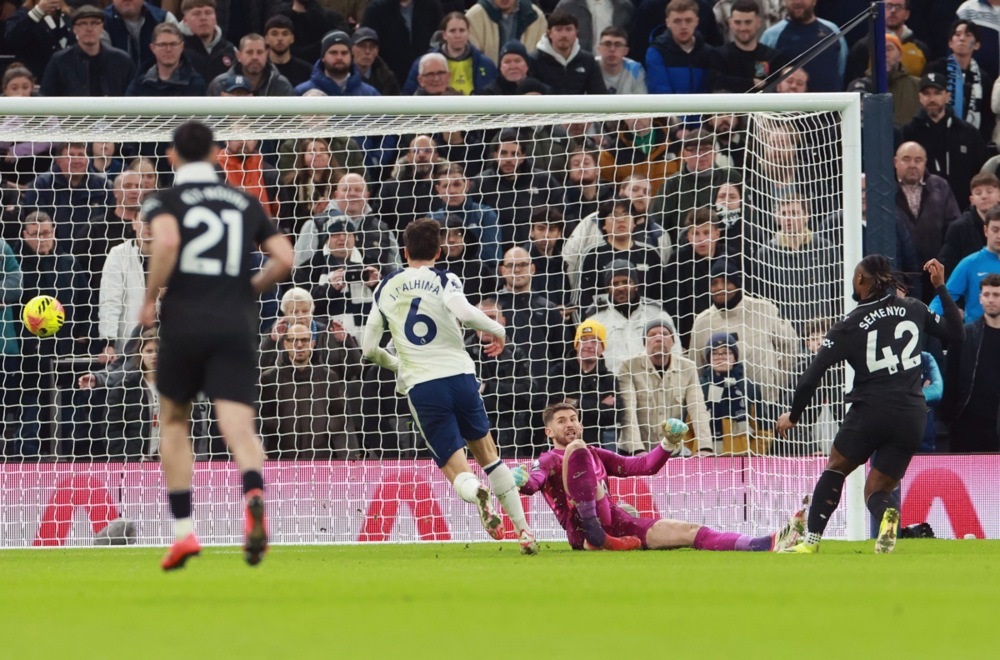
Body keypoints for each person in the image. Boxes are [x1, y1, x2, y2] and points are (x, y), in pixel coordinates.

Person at [138, 120, 294, 570]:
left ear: (172, 157)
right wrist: (250, 288)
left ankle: (184, 532)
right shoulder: (243, 200)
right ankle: (253, 492)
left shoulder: (165, 199)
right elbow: (284, 256)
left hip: (185, 321)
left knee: (172, 420)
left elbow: (166, 240)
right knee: (238, 426)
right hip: (235, 323)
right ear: (215, 156)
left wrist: (150, 298)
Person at [361, 217, 539, 554]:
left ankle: (477, 495)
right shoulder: (445, 279)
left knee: (454, 466)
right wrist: (498, 331)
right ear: (440, 251)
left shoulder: (386, 286)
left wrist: (399, 363)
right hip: (460, 376)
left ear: (404, 251)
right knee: (490, 456)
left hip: (423, 385)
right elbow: (465, 312)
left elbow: (369, 349)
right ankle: (525, 532)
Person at [776, 256, 964, 554]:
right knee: (877, 490)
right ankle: (888, 516)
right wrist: (940, 287)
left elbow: (812, 376)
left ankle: (809, 542)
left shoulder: (849, 324)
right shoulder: (914, 308)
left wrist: (794, 415)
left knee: (836, 468)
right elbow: (957, 333)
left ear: (861, 280)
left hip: (871, 410)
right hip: (912, 415)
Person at [512, 403, 806, 551]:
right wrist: (520, 479)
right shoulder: (548, 459)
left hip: (617, 524)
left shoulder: (595, 453)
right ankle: (594, 536)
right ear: (549, 432)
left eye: (574, 418)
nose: (571, 424)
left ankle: (764, 543)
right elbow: (534, 484)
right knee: (578, 453)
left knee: (688, 531)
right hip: (580, 532)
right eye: (562, 421)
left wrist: (668, 443)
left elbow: (642, 467)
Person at [258, 322, 360, 459]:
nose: (299, 345)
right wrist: (280, 425)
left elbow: (340, 414)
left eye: (304, 340)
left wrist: (324, 426)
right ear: (285, 344)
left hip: (322, 458)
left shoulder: (328, 376)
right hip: (281, 459)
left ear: (312, 344)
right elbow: (262, 417)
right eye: (293, 340)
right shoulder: (269, 378)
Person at [619, 318, 713, 454]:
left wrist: (705, 447)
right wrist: (638, 450)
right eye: (652, 335)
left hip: (671, 451)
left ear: (673, 341)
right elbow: (628, 411)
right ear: (645, 343)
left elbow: (698, 409)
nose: (659, 338)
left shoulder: (687, 367)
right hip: (635, 450)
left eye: (664, 334)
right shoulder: (628, 367)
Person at [902, 72, 988, 206]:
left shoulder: (968, 132)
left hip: (962, 208)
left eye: (937, 93)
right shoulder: (908, 133)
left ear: (947, 96)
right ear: (919, 97)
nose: (932, 99)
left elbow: (980, 172)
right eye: (927, 94)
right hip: (921, 210)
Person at [893, 141, 962, 303]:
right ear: (895, 162)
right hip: (900, 276)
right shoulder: (885, 189)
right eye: (906, 159)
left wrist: (942, 262)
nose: (912, 165)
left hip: (937, 272)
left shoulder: (940, 187)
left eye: (918, 160)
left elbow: (954, 228)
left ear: (925, 162)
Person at [940, 273, 1000, 453]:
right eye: (986, 295)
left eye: (996, 295)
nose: (991, 300)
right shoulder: (964, 335)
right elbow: (951, 376)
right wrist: (950, 418)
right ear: (980, 298)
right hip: (967, 424)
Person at [41, 5, 136, 97]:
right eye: (83, 23)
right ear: (74, 29)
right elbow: (46, 97)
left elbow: (133, 97)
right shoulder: (60, 61)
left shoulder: (121, 60)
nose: (89, 29)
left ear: (102, 27)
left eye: (94, 23)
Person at [929, 208, 1000, 323]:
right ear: (986, 230)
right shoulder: (970, 263)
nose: (999, 235)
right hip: (977, 335)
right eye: (995, 230)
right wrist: (926, 320)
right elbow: (946, 296)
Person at [760, 0, 847, 93]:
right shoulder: (770, 35)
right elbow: (761, 77)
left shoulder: (833, 30)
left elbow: (842, 69)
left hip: (830, 105)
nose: (797, 2)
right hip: (787, 106)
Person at [401, 12, 497, 95]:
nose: (457, 35)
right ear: (444, 35)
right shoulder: (424, 63)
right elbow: (408, 96)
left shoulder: (486, 64)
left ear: (468, 33)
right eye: (452, 31)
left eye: (462, 30)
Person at [707, 0, 786, 93]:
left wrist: (733, 82)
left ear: (758, 22)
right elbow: (716, 83)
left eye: (748, 22)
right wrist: (751, 83)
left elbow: (775, 88)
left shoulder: (772, 57)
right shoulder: (718, 56)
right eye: (738, 22)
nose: (743, 28)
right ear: (730, 23)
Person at [361, 0, 443, 83]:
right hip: (387, 80)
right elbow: (365, 43)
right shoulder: (375, 9)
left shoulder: (432, 6)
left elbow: (440, 41)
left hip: (427, 77)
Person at [531, 10, 607, 94]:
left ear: (576, 32)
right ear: (549, 33)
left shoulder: (588, 60)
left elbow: (599, 94)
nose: (564, 34)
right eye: (558, 30)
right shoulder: (533, 60)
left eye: (569, 29)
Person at [939, 172, 1000, 275]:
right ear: (971, 199)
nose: (984, 196)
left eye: (989, 191)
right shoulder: (959, 228)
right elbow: (947, 266)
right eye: (978, 193)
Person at [125, 22, 208, 96]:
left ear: (182, 47)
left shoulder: (196, 84)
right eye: (162, 45)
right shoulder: (139, 84)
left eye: (173, 44)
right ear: (153, 48)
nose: (168, 49)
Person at [645, 0, 709, 95]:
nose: (683, 26)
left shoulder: (708, 52)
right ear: (667, 23)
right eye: (677, 21)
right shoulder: (656, 52)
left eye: (688, 20)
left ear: (697, 21)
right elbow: (661, 92)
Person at [294, 29, 380, 97]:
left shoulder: (370, 93)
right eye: (333, 53)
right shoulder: (302, 92)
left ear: (351, 56)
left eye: (344, 53)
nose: (339, 57)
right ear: (323, 57)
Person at [207, 33, 295, 96]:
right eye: (249, 52)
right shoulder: (219, 84)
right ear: (239, 56)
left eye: (260, 52)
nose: (255, 57)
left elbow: (292, 121)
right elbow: (208, 120)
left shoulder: (281, 85)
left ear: (266, 55)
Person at [465, 0, 548, 65]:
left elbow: (542, 56)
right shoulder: (473, 17)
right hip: (487, 80)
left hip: (527, 80)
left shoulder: (536, 16)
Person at [179, 0, 236, 82]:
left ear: (216, 18)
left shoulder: (229, 50)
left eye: (208, 13)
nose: (203, 18)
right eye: (196, 13)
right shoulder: (177, 48)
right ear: (185, 21)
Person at [263, 14, 313, 87]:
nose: (280, 38)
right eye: (274, 34)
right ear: (266, 39)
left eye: (285, 34)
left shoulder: (307, 71)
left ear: (292, 38)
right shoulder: (260, 69)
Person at [595, 27, 647, 95]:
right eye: (607, 44)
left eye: (618, 45)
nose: (612, 49)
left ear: (626, 51)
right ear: (599, 49)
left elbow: (642, 102)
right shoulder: (590, 66)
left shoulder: (635, 69)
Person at [351, 26, 400, 95]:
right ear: (352, 49)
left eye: (372, 47)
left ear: (377, 51)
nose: (367, 51)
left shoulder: (387, 78)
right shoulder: (342, 76)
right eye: (362, 46)